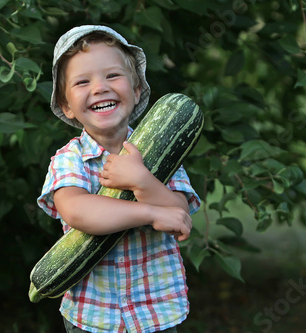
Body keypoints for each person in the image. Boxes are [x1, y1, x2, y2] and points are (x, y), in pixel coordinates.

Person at [37, 25, 201, 333]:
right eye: (83, 81)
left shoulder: (164, 153)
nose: (100, 87)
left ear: (137, 90)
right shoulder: (69, 159)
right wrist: (150, 212)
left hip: (157, 313)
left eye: (113, 76)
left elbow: (179, 213)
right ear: (66, 106)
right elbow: (78, 212)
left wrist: (143, 181)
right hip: (94, 317)